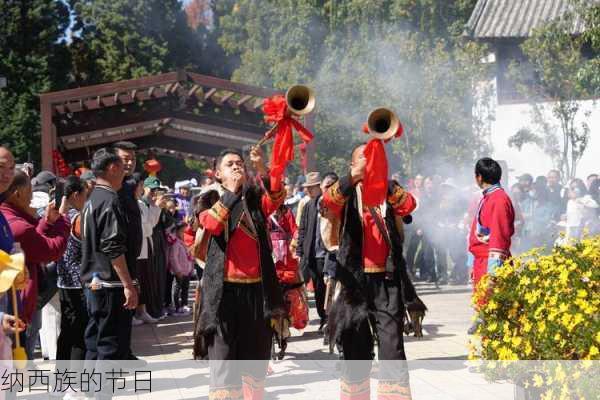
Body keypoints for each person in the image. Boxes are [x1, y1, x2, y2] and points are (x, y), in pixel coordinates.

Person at [322, 143, 418, 400]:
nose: (369, 161)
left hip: (387, 279)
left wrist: (383, 179)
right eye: (362, 158)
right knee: (354, 347)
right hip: (354, 282)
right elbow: (327, 201)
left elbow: (409, 205)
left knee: (392, 347)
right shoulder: (345, 190)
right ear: (352, 165)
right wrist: (355, 177)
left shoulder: (389, 188)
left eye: (373, 157)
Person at [194, 147, 285, 399]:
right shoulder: (209, 198)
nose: (237, 167)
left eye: (240, 163)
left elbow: (276, 196)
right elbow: (211, 224)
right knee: (224, 364)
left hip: (258, 292)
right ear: (218, 174)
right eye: (230, 164)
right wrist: (232, 192)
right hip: (222, 294)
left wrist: (261, 167)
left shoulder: (254, 198)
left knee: (255, 362)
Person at [0, 170, 71, 358]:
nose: (32, 197)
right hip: (13, 307)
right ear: (17, 193)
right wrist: (63, 220)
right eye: (30, 190)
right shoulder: (16, 224)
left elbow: (33, 241)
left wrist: (47, 222)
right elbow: (50, 249)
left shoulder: (9, 218)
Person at [81, 148, 138, 360]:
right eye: (123, 168)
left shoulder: (91, 198)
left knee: (95, 342)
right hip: (109, 285)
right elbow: (113, 246)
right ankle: (101, 392)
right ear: (113, 168)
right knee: (109, 345)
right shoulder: (109, 200)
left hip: (93, 283)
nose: (126, 172)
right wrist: (128, 285)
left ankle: (92, 390)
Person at [467, 158, 515, 334]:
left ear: (479, 177)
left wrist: (493, 274)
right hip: (482, 261)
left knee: (493, 314)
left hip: (491, 263)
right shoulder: (489, 197)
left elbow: (499, 239)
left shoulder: (499, 200)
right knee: (485, 312)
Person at [55, 176, 89, 372]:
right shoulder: (78, 218)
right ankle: (74, 383)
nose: (87, 198)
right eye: (85, 194)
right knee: (79, 334)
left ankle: (61, 381)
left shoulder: (57, 216)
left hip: (63, 281)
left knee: (66, 333)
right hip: (78, 283)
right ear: (76, 195)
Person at [296, 172, 328, 332]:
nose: (308, 190)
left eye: (311, 187)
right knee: (318, 288)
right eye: (306, 188)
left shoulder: (327, 202)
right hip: (311, 254)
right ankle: (323, 317)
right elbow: (302, 229)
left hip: (326, 254)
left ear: (319, 187)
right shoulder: (308, 205)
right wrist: (300, 250)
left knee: (328, 287)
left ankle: (329, 318)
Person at [133, 173, 161, 325]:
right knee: (134, 280)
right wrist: (148, 228)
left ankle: (142, 311)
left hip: (145, 248)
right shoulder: (130, 203)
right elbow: (145, 229)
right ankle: (132, 313)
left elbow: (151, 224)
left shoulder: (142, 204)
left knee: (144, 280)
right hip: (135, 249)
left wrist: (157, 206)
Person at [166, 221, 194, 316]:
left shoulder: (183, 243)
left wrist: (191, 268)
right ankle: (176, 307)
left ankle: (184, 305)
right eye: (182, 231)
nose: (184, 234)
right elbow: (173, 258)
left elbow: (188, 257)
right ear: (177, 231)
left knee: (185, 288)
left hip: (186, 271)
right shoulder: (175, 244)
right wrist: (177, 270)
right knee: (177, 289)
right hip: (179, 271)